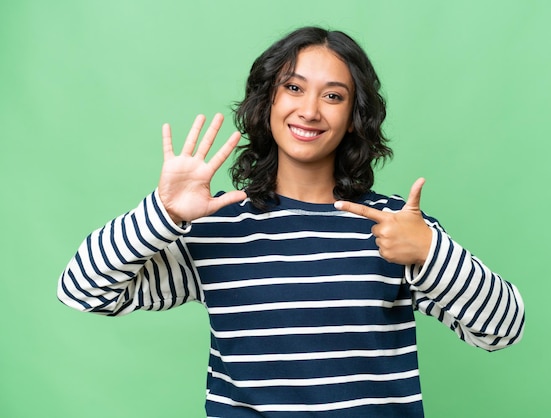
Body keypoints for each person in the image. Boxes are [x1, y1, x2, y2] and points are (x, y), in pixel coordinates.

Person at [58, 26, 524, 418]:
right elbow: (82, 291)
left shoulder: (396, 227)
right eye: (294, 87)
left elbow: (503, 328)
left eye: (334, 96)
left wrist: (429, 251)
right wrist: (162, 214)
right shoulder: (217, 228)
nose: (310, 110)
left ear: (354, 117)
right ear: (268, 100)